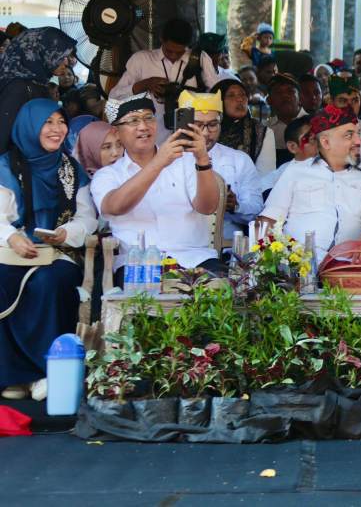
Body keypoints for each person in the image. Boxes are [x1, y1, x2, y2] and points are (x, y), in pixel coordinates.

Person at [0, 100, 98, 401]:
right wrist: (12, 238)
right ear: (29, 126)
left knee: (52, 281)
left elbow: (88, 218)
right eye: (48, 122)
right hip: (12, 252)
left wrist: (67, 233)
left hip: (58, 254)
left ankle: (46, 371)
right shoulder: (5, 167)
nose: (57, 129)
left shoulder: (71, 168)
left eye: (61, 122)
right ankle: (14, 377)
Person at [91, 93, 222, 278]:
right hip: (138, 265)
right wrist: (158, 163)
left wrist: (202, 158)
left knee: (227, 294)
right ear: (115, 132)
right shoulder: (107, 174)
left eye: (148, 118)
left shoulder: (185, 161)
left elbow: (208, 208)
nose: (143, 126)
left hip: (194, 259)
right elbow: (115, 206)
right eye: (133, 121)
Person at [258, 106, 361, 263]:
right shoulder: (296, 171)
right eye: (349, 135)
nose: (359, 141)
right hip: (297, 266)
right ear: (325, 142)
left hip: (347, 269)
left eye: (358, 134)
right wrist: (270, 264)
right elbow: (268, 221)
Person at [111, 17, 220, 137]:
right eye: (169, 51)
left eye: (179, 52)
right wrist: (146, 84)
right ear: (161, 38)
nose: (173, 56)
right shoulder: (141, 60)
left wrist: (193, 99)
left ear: (188, 45)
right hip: (152, 139)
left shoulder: (199, 59)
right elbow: (115, 97)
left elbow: (219, 94)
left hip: (191, 136)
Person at [187, 91, 264, 243]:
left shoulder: (240, 160)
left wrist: (236, 207)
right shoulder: (171, 160)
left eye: (212, 125)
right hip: (180, 250)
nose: (206, 132)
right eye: (198, 125)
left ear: (220, 122)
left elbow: (257, 212)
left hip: (228, 254)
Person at [0, 27, 77, 157]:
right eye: (60, 56)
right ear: (42, 54)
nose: (66, 62)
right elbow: (3, 137)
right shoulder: (19, 88)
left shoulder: (40, 84)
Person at [210, 78, 277, 178]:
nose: (240, 99)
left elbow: (266, 178)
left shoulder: (261, 132)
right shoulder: (207, 129)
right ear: (219, 101)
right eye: (231, 95)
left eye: (242, 94)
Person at [262, 116, 317, 190]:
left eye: (324, 138)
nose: (322, 144)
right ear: (292, 147)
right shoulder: (271, 183)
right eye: (313, 139)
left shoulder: (334, 171)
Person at [265, 74, 302, 164]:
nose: (285, 95)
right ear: (269, 101)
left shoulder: (314, 123)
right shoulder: (265, 130)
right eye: (278, 92)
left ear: (300, 97)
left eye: (290, 91)